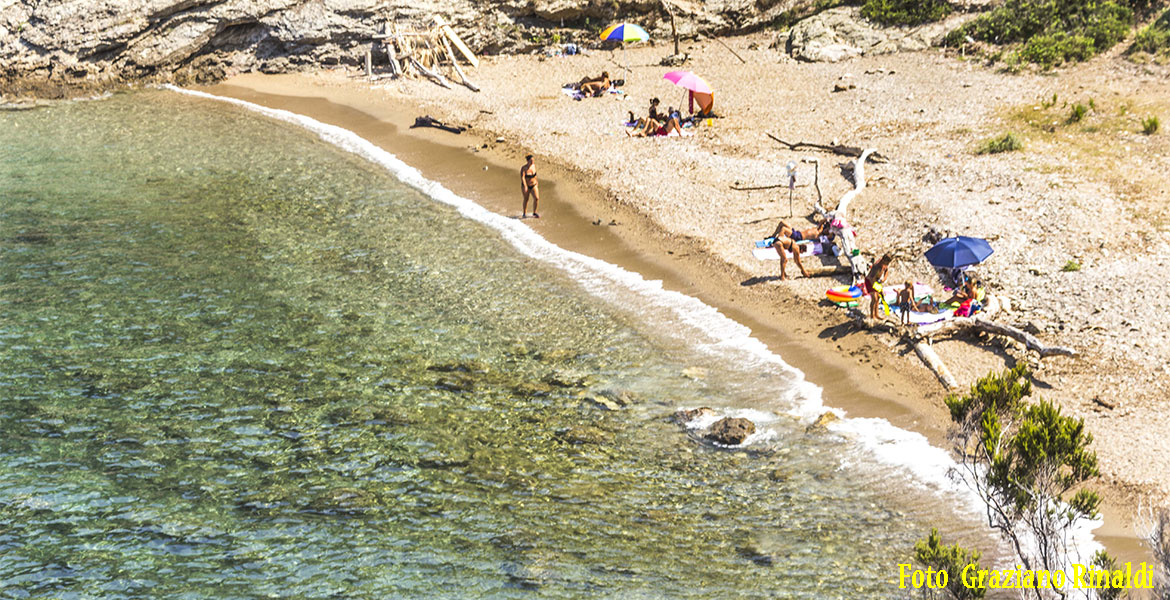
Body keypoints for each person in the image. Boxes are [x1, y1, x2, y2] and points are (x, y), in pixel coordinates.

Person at [864, 254, 893, 319]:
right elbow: (871, 278)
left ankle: (876, 314)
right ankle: (872, 316)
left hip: (876, 281)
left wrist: (884, 279)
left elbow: (886, 270)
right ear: (883, 260)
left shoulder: (885, 264)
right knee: (874, 299)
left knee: (878, 298)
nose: (887, 264)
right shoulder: (876, 266)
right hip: (870, 282)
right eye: (887, 262)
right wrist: (877, 289)